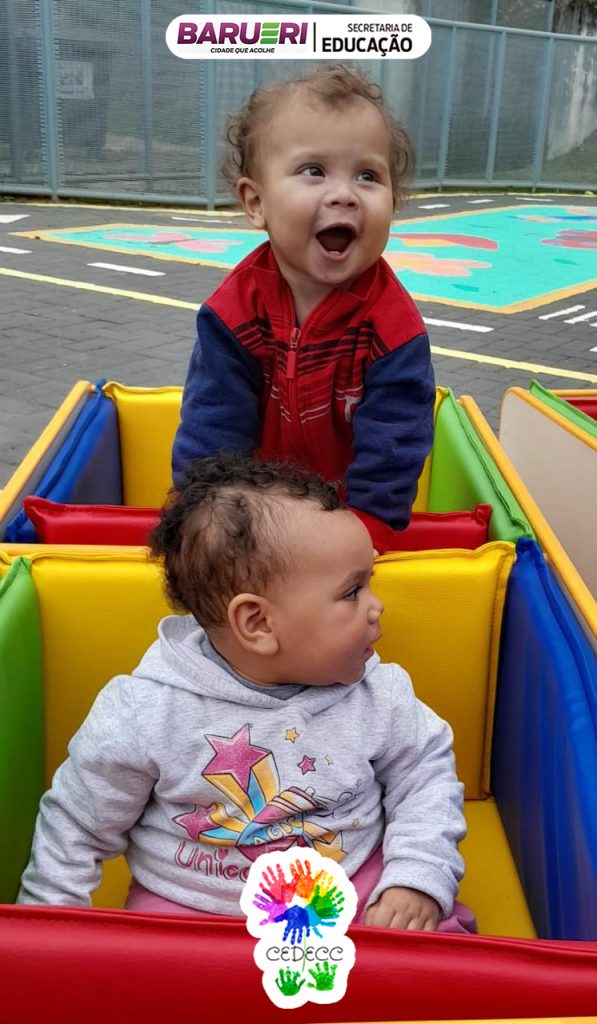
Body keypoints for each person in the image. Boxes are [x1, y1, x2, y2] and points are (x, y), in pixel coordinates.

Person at [19, 454, 473, 933]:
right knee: (136, 972)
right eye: (351, 592)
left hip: (351, 891)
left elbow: (426, 780)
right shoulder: (145, 710)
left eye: (369, 583)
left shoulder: (381, 694)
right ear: (257, 623)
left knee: (433, 944)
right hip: (188, 911)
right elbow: (76, 824)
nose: (377, 607)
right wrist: (47, 932)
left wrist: (416, 879)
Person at [171, 65, 435, 554]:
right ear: (256, 202)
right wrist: (206, 521)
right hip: (254, 520)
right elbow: (212, 429)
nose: (344, 194)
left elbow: (394, 446)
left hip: (350, 517)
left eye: (368, 176)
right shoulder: (232, 314)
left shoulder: (394, 329)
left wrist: (365, 533)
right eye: (314, 171)